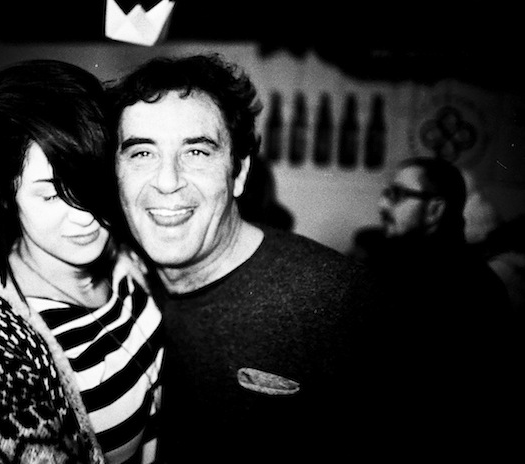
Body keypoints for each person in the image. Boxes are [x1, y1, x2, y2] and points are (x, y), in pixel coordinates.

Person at [105, 53, 393, 462]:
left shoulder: (338, 302)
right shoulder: (116, 290)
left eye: (197, 152)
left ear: (239, 173)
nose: (167, 181)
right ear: (116, 175)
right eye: (142, 154)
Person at [0, 59, 164, 464]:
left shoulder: (127, 261)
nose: (85, 215)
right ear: (7, 194)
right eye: (51, 194)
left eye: (91, 183)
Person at [372, 156, 521, 459]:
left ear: (435, 209)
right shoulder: (401, 266)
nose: (382, 205)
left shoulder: (460, 285)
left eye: (397, 195)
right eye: (386, 193)